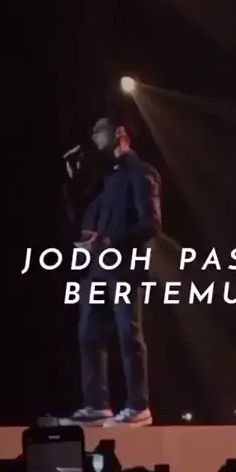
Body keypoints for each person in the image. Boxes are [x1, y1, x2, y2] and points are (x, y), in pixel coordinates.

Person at [67, 116, 161, 426]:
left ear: (119, 133)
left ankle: (138, 406)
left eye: (100, 130)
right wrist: (71, 181)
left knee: (127, 332)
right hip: (97, 269)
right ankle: (96, 404)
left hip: (124, 267)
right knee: (88, 333)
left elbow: (151, 224)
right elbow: (84, 218)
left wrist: (109, 241)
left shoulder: (141, 171)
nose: (94, 136)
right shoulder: (108, 179)